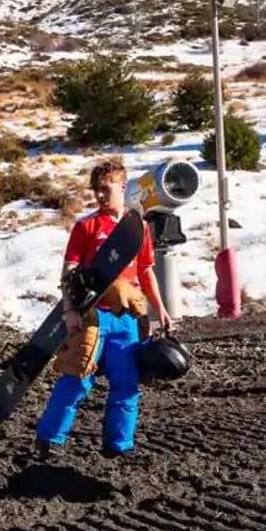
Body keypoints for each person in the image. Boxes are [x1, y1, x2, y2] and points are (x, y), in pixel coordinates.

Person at [35, 158, 173, 459]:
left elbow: (146, 271)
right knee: (77, 376)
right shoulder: (86, 226)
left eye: (105, 189)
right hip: (92, 315)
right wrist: (70, 311)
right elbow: (69, 270)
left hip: (127, 319)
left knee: (127, 383)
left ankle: (119, 446)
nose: (99, 195)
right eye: (95, 190)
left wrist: (159, 309)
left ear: (122, 187)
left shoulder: (138, 228)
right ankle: (50, 439)